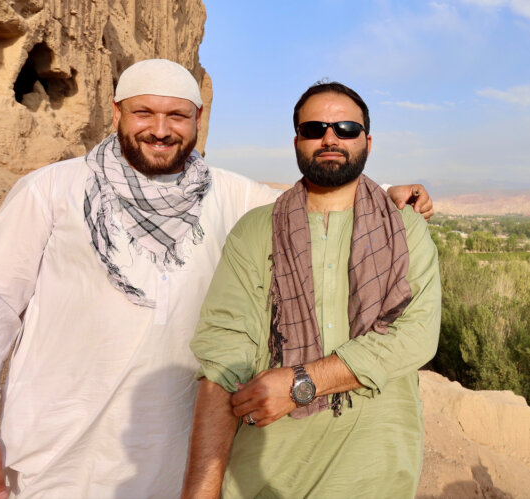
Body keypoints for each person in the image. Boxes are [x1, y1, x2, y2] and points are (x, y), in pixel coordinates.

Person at [0, 60, 432, 499]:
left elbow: (322, 196)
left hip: (175, 451)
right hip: (55, 450)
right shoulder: (52, 191)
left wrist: (387, 192)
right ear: (116, 112)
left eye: (177, 116)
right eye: (144, 112)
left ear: (198, 119)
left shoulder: (229, 194)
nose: (160, 129)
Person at [182, 81, 440, 499]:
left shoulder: (405, 229)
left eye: (346, 129)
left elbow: (416, 336)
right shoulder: (256, 231)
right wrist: (200, 491)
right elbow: (224, 359)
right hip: (265, 478)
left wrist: (301, 383)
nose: (330, 138)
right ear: (297, 140)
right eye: (315, 128)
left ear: (368, 142)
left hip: (377, 479)